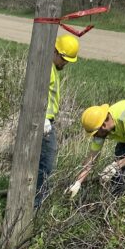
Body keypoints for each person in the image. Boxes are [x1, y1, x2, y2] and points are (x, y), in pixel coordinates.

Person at [35, 33, 79, 208]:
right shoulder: (46, 68)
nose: (65, 63)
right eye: (64, 59)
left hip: (46, 121)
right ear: (55, 51)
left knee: (42, 162)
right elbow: (39, 93)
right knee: (46, 163)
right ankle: (37, 204)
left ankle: (36, 202)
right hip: (42, 122)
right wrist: (44, 117)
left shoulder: (52, 68)